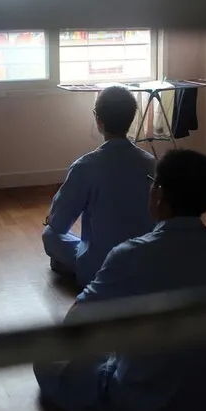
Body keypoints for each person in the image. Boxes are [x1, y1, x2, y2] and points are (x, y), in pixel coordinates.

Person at [34, 149, 206, 411]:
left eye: (152, 183)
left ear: (159, 195)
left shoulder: (131, 255)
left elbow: (76, 321)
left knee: (47, 355)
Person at [42, 86, 155, 286]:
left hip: (100, 267)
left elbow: (58, 224)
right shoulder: (151, 163)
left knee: (50, 235)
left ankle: (74, 266)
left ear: (98, 120)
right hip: (144, 262)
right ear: (132, 118)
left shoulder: (85, 166)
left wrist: (51, 217)